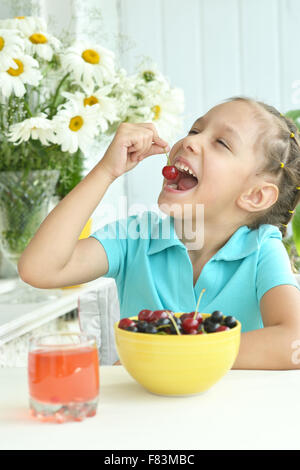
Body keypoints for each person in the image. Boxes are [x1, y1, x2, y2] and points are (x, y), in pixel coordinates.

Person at [18, 96, 300, 370]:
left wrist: (173, 357)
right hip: (141, 413)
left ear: (255, 196)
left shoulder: (262, 249)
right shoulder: (134, 237)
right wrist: (106, 171)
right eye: (195, 130)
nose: (190, 140)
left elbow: (293, 341)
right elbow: (40, 269)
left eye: (221, 143)